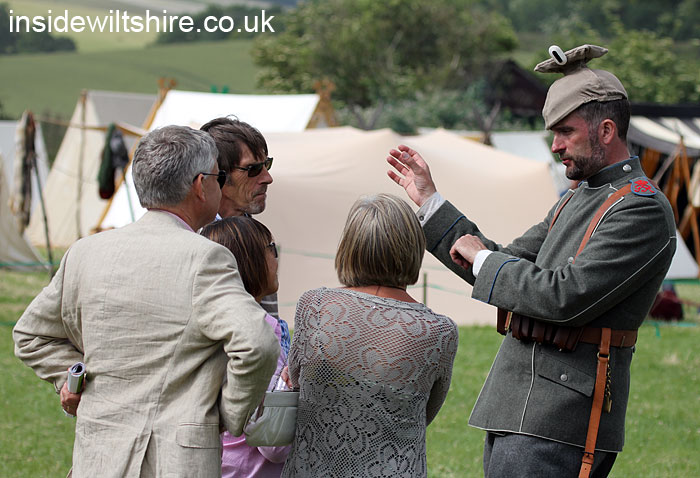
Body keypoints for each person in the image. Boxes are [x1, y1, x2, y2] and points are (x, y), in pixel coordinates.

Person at [387, 44, 677, 478]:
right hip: (521, 408)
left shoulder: (641, 209)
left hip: (562, 418)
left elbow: (565, 296)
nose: (555, 145)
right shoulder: (579, 197)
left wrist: (484, 259)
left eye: (566, 132)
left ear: (606, 130)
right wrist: (430, 203)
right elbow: (502, 261)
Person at [13, 125, 280, 478]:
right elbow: (258, 344)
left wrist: (75, 377)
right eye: (218, 178)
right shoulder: (206, 257)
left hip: (97, 460)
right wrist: (229, 415)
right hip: (174, 464)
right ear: (200, 186)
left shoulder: (85, 251)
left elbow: (30, 334)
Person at [281, 193, 458, 478]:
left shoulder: (315, 306)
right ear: (414, 246)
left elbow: (298, 381)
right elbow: (424, 413)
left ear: (350, 245)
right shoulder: (437, 331)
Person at [200, 216, 291, 477]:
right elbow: (273, 444)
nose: (276, 259)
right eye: (271, 248)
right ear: (249, 260)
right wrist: (292, 382)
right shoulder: (261, 332)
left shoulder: (207, 325)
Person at [200, 117, 282, 321]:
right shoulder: (193, 240)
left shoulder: (257, 236)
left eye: (267, 165)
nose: (267, 178)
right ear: (218, 174)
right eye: (253, 169)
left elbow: (268, 323)